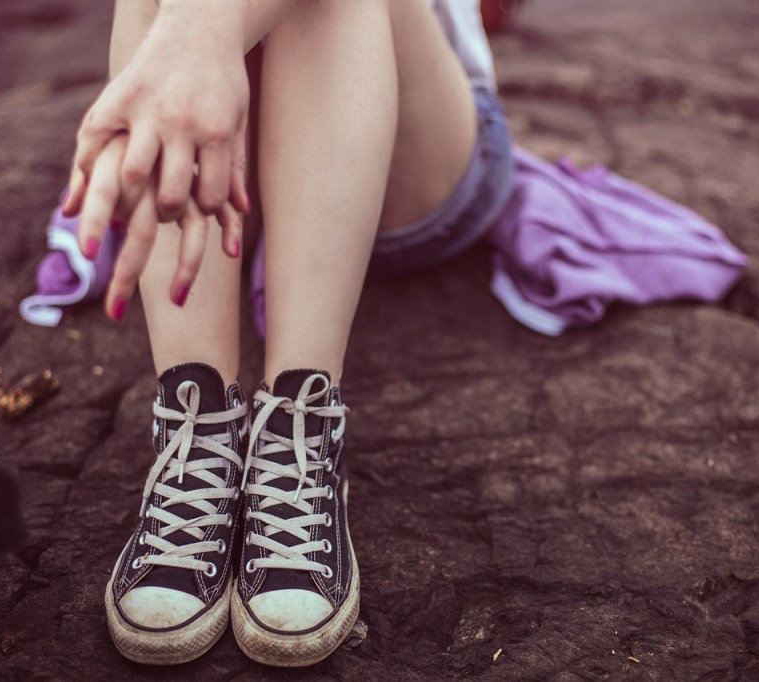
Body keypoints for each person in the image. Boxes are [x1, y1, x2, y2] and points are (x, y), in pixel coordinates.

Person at [67, 0, 514, 667]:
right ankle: (199, 424)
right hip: (232, 142)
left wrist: (194, 36)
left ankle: (304, 415)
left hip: (411, 144)